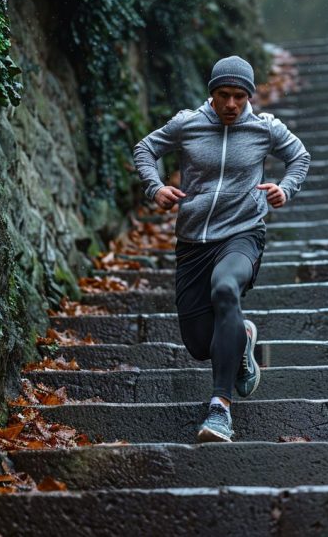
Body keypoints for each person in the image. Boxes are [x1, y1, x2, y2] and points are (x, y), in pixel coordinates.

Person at [133, 55, 310, 442]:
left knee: (226, 289)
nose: (231, 105)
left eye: (239, 97)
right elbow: (145, 150)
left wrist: (285, 188)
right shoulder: (187, 124)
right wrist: (156, 187)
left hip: (243, 234)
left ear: (250, 96)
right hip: (193, 241)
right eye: (224, 96)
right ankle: (242, 338)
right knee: (199, 345)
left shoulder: (264, 129)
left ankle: (219, 409)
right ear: (211, 94)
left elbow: (299, 157)